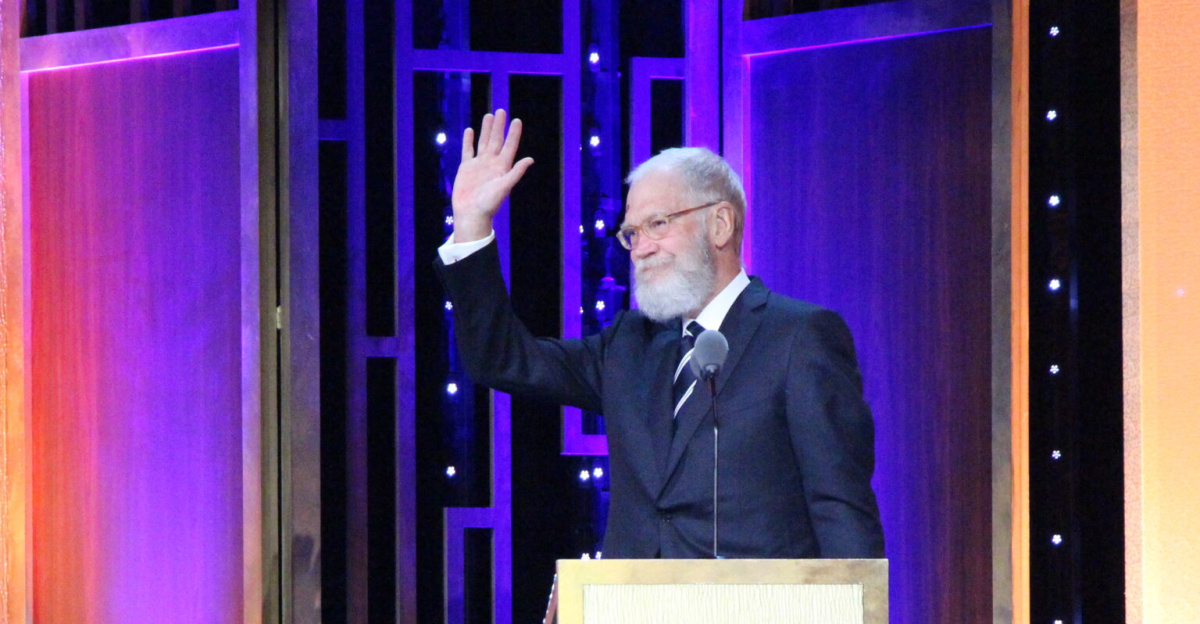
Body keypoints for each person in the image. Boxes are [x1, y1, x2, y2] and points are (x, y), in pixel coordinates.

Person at [435, 110, 884, 559]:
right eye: (632, 233)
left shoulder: (800, 337)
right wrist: (472, 225)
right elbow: (503, 359)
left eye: (658, 224)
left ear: (721, 224)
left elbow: (840, 507)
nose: (642, 247)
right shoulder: (629, 345)